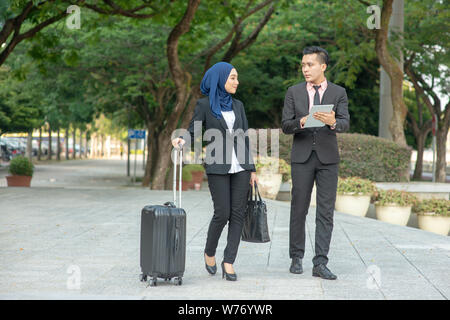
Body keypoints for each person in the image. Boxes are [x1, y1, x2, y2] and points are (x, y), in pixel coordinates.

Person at [171, 62, 257, 281]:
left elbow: (245, 136)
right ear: (220, 79)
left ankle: (229, 261)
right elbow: (193, 130)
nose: (237, 82)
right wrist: (182, 138)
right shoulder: (204, 105)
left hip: (241, 167)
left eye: (237, 78)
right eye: (233, 78)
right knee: (222, 213)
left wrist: (252, 169)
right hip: (217, 165)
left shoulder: (239, 105)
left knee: (238, 213)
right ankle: (210, 251)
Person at [281, 46, 350, 280]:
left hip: (328, 159)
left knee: (325, 212)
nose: (305, 69)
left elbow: (345, 123)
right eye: (302, 65)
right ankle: (296, 256)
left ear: (323, 66)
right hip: (301, 157)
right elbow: (285, 125)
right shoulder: (293, 92)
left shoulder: (339, 92)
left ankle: (320, 262)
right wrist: (300, 122)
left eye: (309, 65)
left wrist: (333, 122)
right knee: (298, 208)